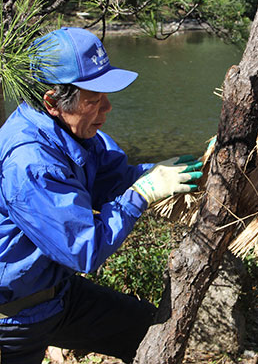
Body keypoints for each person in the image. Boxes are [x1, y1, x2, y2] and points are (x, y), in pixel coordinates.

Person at [0, 27, 203, 364]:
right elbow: (83, 249)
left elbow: (115, 178)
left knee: (144, 330)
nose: (107, 108)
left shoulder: (76, 132)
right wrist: (141, 194)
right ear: (52, 102)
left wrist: (162, 172)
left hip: (57, 295)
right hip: (14, 317)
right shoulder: (30, 162)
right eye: (94, 98)